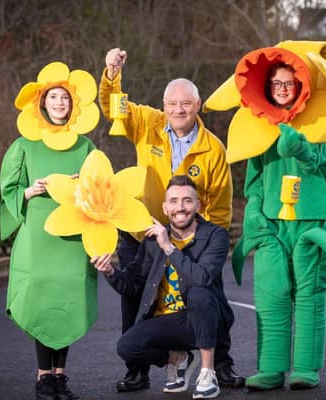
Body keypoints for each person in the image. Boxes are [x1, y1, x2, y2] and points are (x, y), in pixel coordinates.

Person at [97, 48, 243, 391]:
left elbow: (220, 203)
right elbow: (112, 106)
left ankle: (220, 363)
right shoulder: (147, 123)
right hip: (141, 231)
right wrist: (112, 74)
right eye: (173, 103)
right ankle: (137, 369)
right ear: (164, 106)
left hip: (192, 237)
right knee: (134, 300)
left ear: (198, 105)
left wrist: (210, 242)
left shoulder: (213, 148)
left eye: (186, 103)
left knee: (209, 294)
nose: (179, 109)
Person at [233, 59, 326, 390]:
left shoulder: (314, 124)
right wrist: (255, 212)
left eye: (289, 83)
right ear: (268, 88)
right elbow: (254, 179)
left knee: (309, 295)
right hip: (273, 224)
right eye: (277, 84)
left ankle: (306, 368)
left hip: (309, 222)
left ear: (299, 86)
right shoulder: (258, 128)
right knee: (271, 294)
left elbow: (317, 163)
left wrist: (301, 148)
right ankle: (271, 369)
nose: (283, 89)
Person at [0, 62, 99, 400]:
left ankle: (60, 377)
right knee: (43, 301)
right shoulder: (24, 145)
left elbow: (101, 186)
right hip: (38, 240)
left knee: (68, 300)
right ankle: (43, 376)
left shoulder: (86, 147)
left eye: (65, 97)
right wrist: (30, 191)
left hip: (73, 240)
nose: (59, 103)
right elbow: (8, 190)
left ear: (74, 104)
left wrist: (82, 186)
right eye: (53, 97)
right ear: (42, 102)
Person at [92, 175, 234, 399]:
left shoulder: (215, 236)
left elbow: (202, 278)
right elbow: (134, 285)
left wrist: (169, 247)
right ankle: (178, 359)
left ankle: (208, 372)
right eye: (174, 201)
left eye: (187, 201)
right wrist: (110, 272)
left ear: (198, 205)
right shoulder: (152, 240)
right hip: (167, 321)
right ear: (165, 208)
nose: (181, 207)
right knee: (127, 347)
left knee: (198, 294)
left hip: (205, 318)